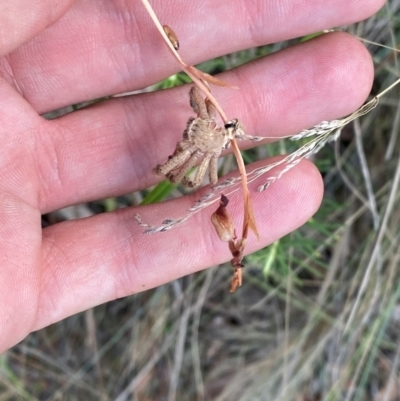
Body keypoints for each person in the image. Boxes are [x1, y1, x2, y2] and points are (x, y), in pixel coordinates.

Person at [0, 0, 383, 352]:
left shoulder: (206, 145)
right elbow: (194, 104)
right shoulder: (196, 126)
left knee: (190, 170)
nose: (182, 137)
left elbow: (201, 171)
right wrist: (194, 86)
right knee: (177, 166)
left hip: (213, 140)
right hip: (208, 134)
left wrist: (223, 129)